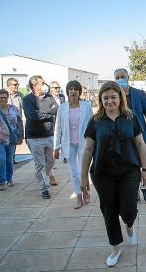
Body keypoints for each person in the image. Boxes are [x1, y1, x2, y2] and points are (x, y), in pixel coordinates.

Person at [80, 81, 146, 267]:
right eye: (105, 98)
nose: (110, 101)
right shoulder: (95, 121)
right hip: (103, 174)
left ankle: (129, 225)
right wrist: (83, 176)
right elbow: (88, 150)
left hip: (129, 172)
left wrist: (145, 169)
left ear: (120, 98)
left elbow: (140, 144)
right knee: (109, 211)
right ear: (101, 100)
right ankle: (115, 248)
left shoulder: (130, 117)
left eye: (113, 97)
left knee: (128, 209)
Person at [114, 68, 146, 203]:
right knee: (130, 165)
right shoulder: (114, 96)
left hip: (139, 136)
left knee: (141, 162)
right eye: (117, 77)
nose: (120, 79)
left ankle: (145, 187)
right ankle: (135, 189)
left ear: (128, 77)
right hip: (122, 137)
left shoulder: (139, 94)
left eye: (122, 76)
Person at [53, 80, 93, 209]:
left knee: (83, 170)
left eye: (76, 89)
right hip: (68, 144)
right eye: (70, 89)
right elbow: (58, 128)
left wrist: (94, 142)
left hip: (84, 143)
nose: (73, 91)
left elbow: (93, 124)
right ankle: (78, 196)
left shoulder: (86, 106)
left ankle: (85, 189)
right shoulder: (62, 107)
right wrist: (56, 147)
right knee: (73, 172)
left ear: (79, 92)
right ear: (67, 91)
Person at [23, 75, 59, 199]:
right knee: (40, 164)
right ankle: (44, 188)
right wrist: (48, 113)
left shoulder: (49, 97)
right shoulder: (27, 99)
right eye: (42, 83)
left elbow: (56, 109)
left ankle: (45, 176)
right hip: (34, 138)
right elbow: (33, 116)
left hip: (49, 136)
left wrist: (44, 113)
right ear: (35, 85)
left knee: (51, 162)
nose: (45, 85)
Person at [5, 77, 23, 164]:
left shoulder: (20, 95)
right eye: (15, 84)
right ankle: (6, 158)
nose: (17, 86)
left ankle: (12, 158)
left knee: (13, 141)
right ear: (9, 85)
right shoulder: (3, 95)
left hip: (15, 124)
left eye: (17, 84)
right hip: (4, 124)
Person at [50, 81, 67, 163]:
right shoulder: (48, 98)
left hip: (62, 121)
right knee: (54, 140)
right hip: (53, 122)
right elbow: (50, 110)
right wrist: (59, 110)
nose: (57, 89)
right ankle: (53, 158)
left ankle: (65, 156)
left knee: (64, 138)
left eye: (58, 88)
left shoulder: (62, 97)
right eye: (55, 88)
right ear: (51, 89)